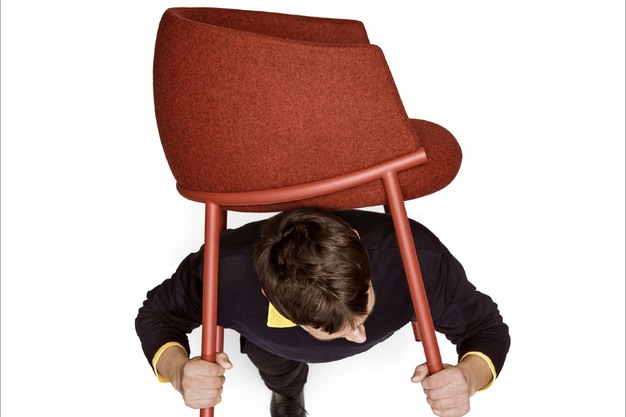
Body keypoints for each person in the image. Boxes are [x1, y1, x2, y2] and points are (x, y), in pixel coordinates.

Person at [136, 207, 510, 417]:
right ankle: (287, 395)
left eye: (363, 307)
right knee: (278, 373)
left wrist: (468, 377)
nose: (360, 338)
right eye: (334, 330)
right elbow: (157, 315)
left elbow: (485, 327)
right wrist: (178, 371)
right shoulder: (222, 274)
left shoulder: (416, 256)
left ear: (358, 243)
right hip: (274, 347)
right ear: (270, 296)